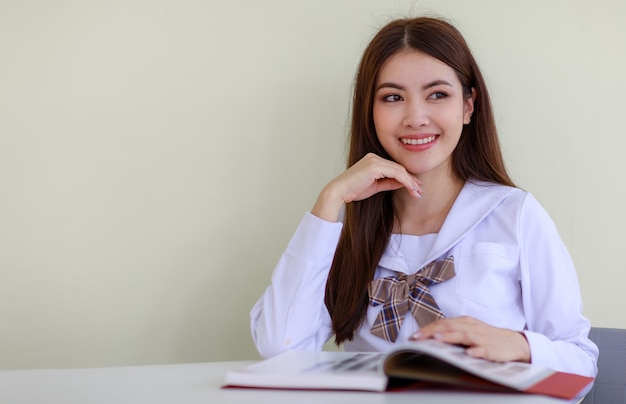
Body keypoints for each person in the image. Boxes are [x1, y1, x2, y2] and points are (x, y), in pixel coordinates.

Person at [250, 16, 598, 377]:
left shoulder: (515, 215)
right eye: (393, 97)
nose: (416, 118)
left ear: (468, 106)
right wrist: (330, 199)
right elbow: (280, 347)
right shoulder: (347, 227)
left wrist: (519, 346)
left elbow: (581, 362)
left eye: (437, 95)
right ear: (370, 112)